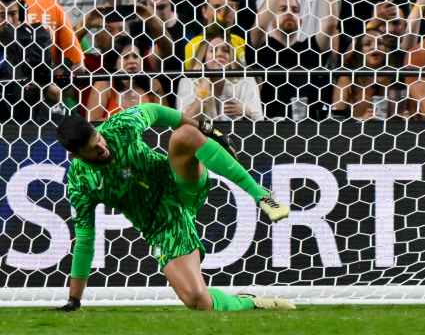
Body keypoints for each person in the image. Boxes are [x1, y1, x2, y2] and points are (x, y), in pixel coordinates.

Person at [54, 106, 292, 312]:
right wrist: (74, 299)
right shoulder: (80, 183)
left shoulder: (119, 126)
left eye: (99, 139)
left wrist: (206, 129)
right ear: (75, 155)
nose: (103, 148)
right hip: (162, 225)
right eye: (94, 149)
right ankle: (248, 302)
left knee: (185, 135)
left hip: (178, 182)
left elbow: (157, 111)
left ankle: (261, 195)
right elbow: (85, 239)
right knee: (198, 300)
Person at [247, 0, 338, 120]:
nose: (289, 12)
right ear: (272, 21)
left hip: (310, 128)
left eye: (295, 10)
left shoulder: (310, 49)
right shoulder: (263, 48)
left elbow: (331, 24)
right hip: (269, 128)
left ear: (300, 21)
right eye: (283, 9)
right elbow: (260, 26)